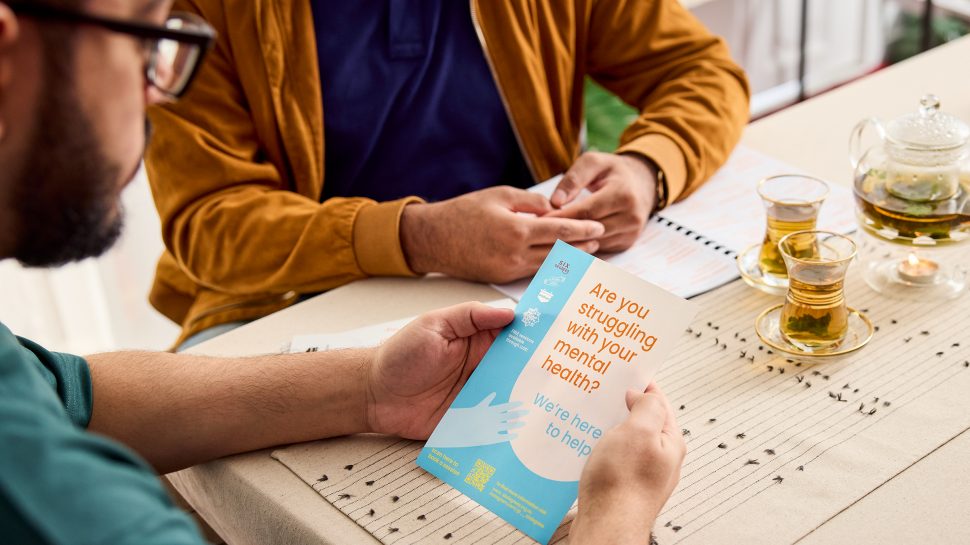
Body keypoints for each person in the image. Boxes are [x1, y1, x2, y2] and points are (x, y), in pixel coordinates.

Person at [0, 1, 685, 543]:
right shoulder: (50, 492)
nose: (158, 95)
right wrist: (614, 520)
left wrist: (368, 388)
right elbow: (208, 223)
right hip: (286, 308)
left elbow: (69, 390)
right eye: (147, 44)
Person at [144, 0, 750, 348]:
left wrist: (649, 167)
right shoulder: (198, 8)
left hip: (528, 282)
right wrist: (421, 236)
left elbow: (701, 71)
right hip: (288, 297)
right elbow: (210, 221)